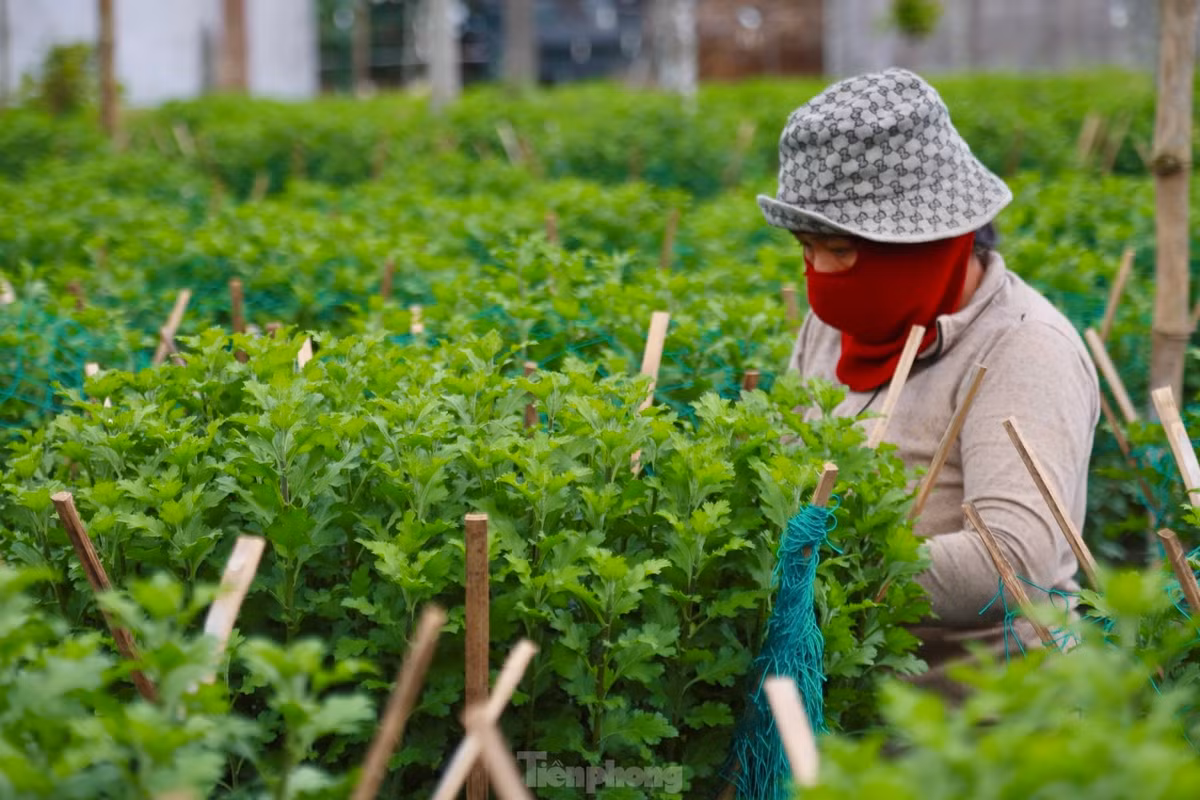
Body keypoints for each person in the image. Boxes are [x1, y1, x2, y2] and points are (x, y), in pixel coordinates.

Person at [756, 68, 1100, 695]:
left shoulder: (1022, 348)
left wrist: (808, 561)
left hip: (975, 721)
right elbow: (781, 470)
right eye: (805, 247)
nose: (819, 273)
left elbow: (1010, 560)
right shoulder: (833, 327)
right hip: (832, 686)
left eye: (841, 249)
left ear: (927, 241)